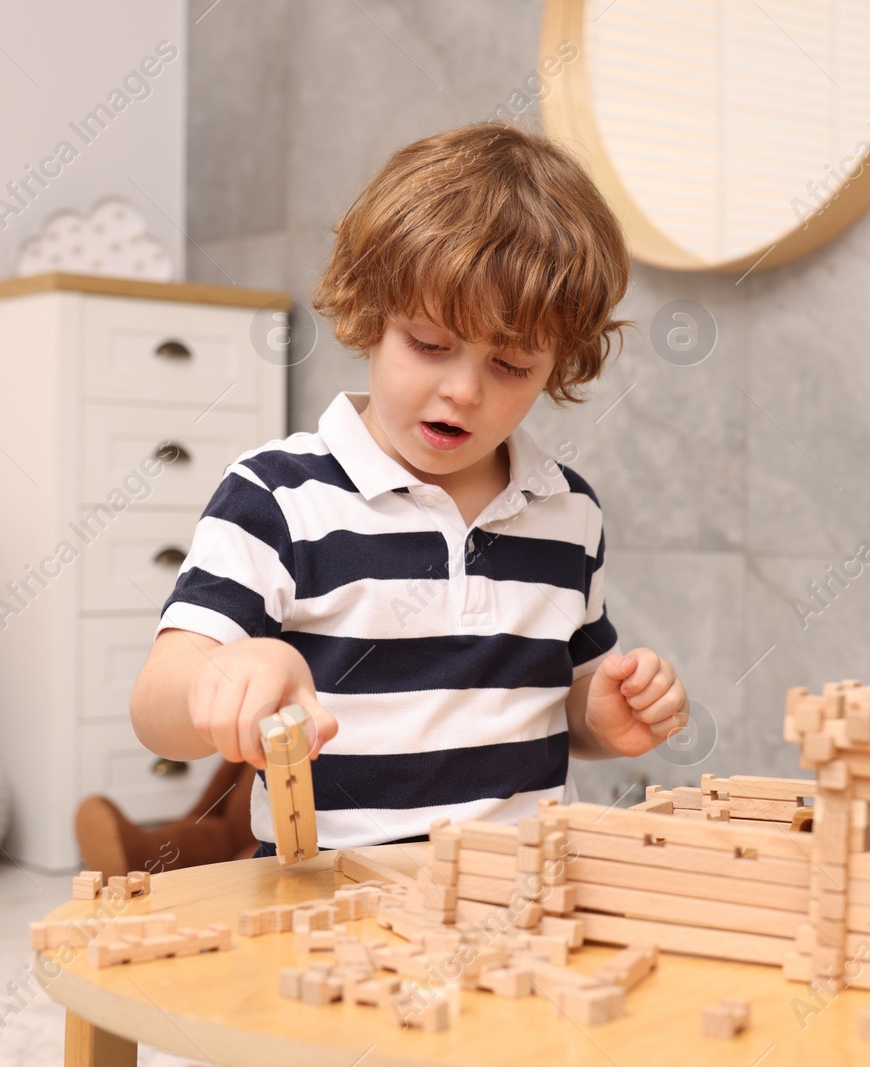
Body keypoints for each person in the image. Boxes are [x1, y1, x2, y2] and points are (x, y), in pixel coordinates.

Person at [129, 121, 690, 858]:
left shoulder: (568, 512)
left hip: (517, 892)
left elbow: (565, 700)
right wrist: (226, 671)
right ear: (371, 314)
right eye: (429, 345)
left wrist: (604, 715)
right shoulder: (279, 497)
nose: (462, 390)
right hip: (330, 903)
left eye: (512, 364)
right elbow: (155, 705)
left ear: (558, 364)